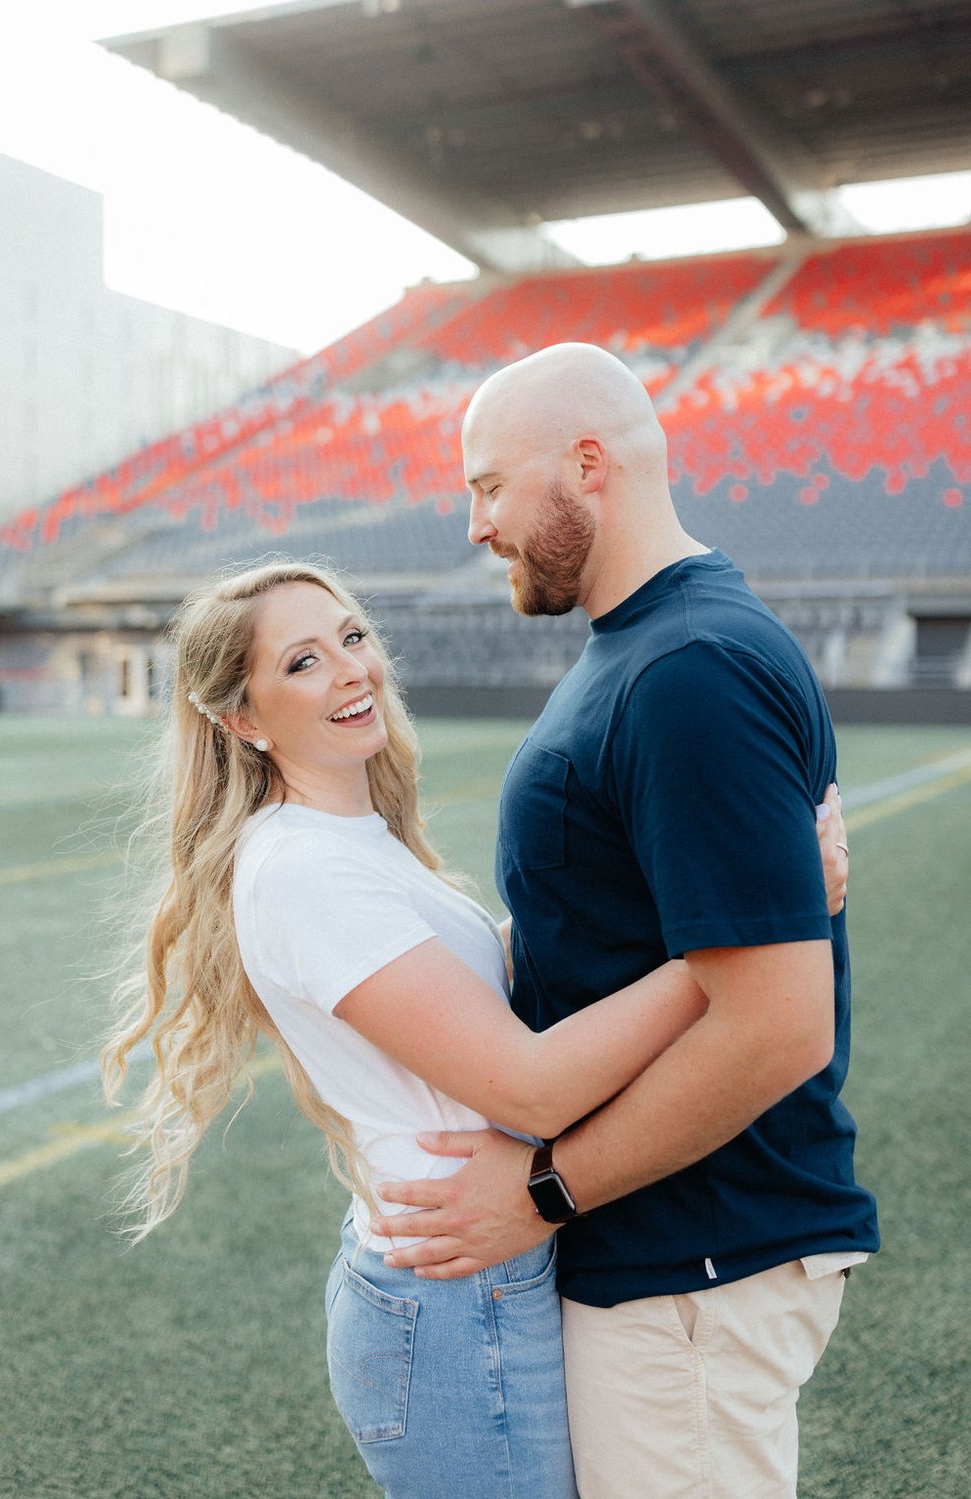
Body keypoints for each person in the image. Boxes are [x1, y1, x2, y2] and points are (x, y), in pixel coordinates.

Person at [102, 558, 849, 1499]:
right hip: (452, 1295)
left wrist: (721, 904)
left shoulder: (352, 842)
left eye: (353, 637)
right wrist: (746, 935)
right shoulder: (299, 869)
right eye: (302, 661)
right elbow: (530, 1085)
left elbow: (487, 977)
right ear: (241, 720)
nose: (349, 670)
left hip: (481, 1270)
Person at [366, 343, 880, 1499]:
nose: (472, 524)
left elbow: (776, 1026)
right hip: (661, 1249)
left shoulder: (687, 667)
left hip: (693, 1255)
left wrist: (540, 1192)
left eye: (488, 485)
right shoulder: (643, 644)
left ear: (585, 464)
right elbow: (608, 929)